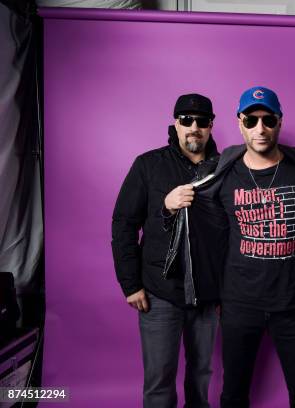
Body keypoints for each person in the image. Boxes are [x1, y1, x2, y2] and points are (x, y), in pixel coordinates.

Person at [165, 86, 295, 408]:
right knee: (234, 394)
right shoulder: (221, 172)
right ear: (239, 122)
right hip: (239, 304)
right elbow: (205, 229)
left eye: (268, 120)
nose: (260, 129)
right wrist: (170, 206)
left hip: (292, 304)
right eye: (251, 120)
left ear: (279, 121)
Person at [111, 93, 222, 408]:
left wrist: (228, 291)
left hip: (207, 294)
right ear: (176, 123)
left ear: (211, 125)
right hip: (160, 292)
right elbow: (123, 224)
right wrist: (130, 284)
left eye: (201, 121)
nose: (194, 127)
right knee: (159, 380)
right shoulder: (148, 165)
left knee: (201, 374)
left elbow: (232, 233)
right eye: (186, 120)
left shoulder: (226, 168)